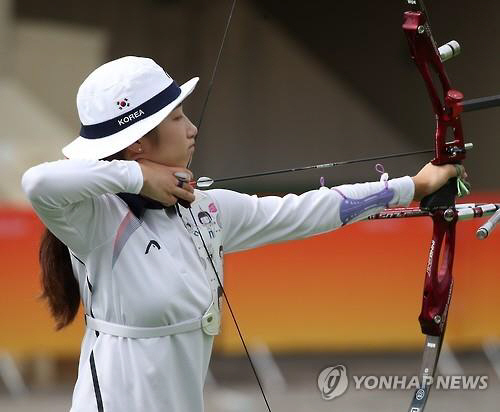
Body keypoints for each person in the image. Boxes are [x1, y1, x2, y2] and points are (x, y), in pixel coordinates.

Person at [21, 56, 463, 412]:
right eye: (176, 118)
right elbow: (38, 183)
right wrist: (138, 177)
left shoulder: (204, 207)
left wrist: (413, 186)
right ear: (138, 142)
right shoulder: (96, 218)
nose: (191, 128)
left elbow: (312, 208)